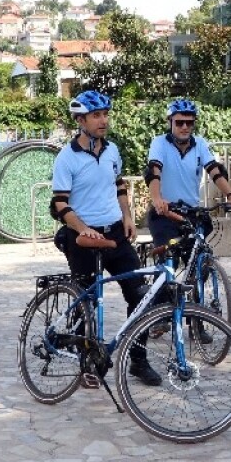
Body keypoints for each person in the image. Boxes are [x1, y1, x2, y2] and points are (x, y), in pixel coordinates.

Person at [50, 90, 162, 386]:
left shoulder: (112, 150)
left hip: (115, 234)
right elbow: (59, 204)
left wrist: (127, 217)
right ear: (81, 119)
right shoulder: (67, 157)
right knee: (85, 300)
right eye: (96, 115)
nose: (103, 120)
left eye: (105, 114)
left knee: (140, 296)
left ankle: (138, 360)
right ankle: (86, 363)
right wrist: (81, 227)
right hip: (82, 238)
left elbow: (119, 185)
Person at [144, 98, 231, 247]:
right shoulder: (159, 143)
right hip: (165, 212)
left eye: (189, 123)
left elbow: (214, 171)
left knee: (199, 257)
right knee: (169, 258)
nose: (185, 127)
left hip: (191, 213)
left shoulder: (200, 144)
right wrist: (157, 199)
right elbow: (154, 171)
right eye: (179, 122)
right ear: (170, 122)